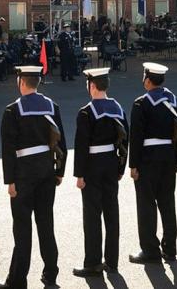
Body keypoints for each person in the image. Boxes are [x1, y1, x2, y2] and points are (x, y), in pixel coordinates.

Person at [0, 66, 67, 288]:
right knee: (46, 224)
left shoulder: (12, 110)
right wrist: (59, 172)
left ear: (21, 82)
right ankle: (51, 273)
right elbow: (62, 143)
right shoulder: (51, 106)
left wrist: (10, 181)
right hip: (47, 170)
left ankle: (17, 280)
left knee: (22, 229)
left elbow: (8, 150)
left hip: (23, 174)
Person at [73, 68, 128, 277]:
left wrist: (79, 175)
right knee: (112, 212)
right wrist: (121, 167)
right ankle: (112, 261)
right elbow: (125, 139)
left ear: (92, 86)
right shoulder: (118, 108)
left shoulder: (86, 112)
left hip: (92, 164)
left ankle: (93, 262)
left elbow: (81, 145)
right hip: (111, 162)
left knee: (92, 214)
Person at [128, 62, 177, 263]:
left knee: (146, 205)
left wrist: (133, 165)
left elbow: (136, 137)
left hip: (147, 159)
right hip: (168, 157)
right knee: (167, 203)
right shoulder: (174, 101)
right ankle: (170, 248)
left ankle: (150, 250)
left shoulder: (141, 104)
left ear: (148, 80)